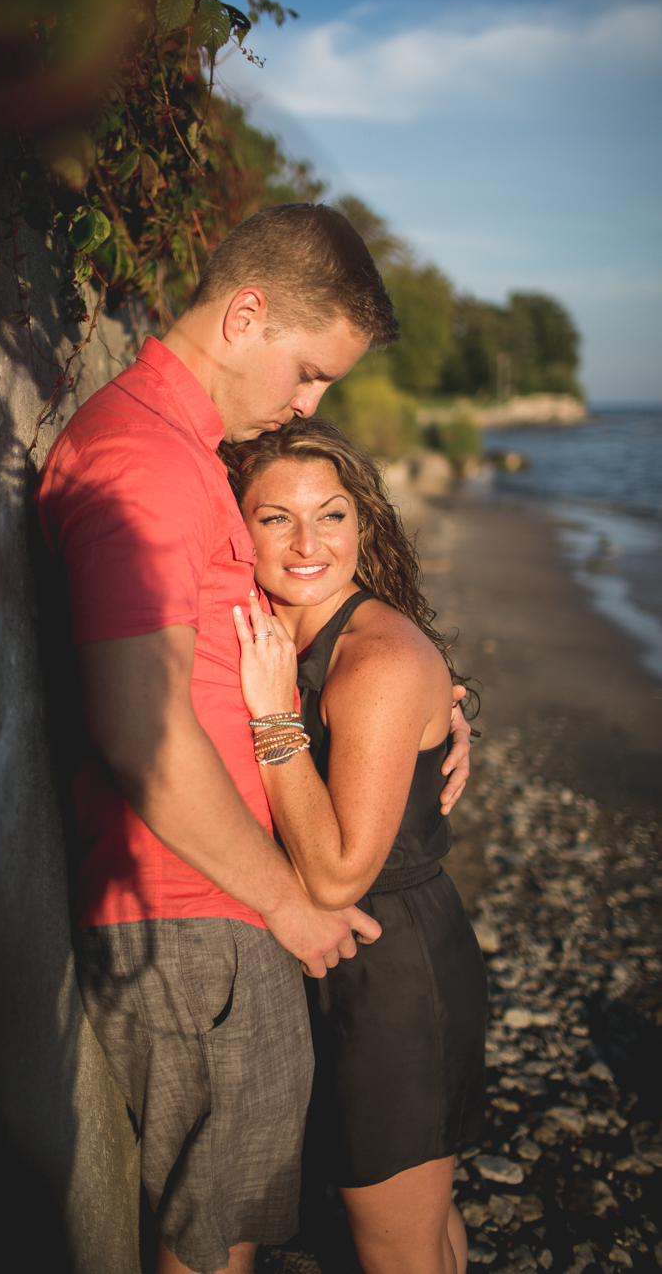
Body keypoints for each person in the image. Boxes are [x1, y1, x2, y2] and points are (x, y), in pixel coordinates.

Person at [35, 204, 472, 1274]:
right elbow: (142, 725)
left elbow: (274, 647)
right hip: (204, 917)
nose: (311, 403)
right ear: (246, 316)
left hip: (231, 915)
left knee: (242, 1230)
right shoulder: (144, 459)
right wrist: (286, 904)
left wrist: (431, 696)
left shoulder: (189, 456)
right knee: (212, 1244)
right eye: (312, 373)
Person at [228, 417, 488, 1274]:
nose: (308, 543)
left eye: (332, 515)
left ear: (364, 525)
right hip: (344, 964)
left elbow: (338, 874)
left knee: (398, 1247)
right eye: (276, 519)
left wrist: (273, 719)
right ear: (240, 526)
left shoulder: (373, 659)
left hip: (394, 975)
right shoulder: (280, 624)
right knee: (418, 1225)